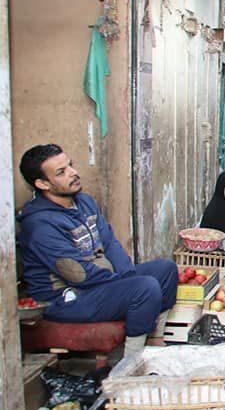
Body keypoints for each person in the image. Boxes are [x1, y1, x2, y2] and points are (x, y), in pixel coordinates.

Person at [16, 144, 178, 358]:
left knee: (165, 269)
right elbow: (77, 273)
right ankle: (131, 363)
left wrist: (126, 275)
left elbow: (109, 243)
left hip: (100, 283)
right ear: (42, 184)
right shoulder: (40, 225)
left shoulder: (84, 202)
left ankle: (154, 341)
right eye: (61, 172)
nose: (73, 173)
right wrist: (122, 283)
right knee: (144, 288)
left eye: (70, 165)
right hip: (66, 298)